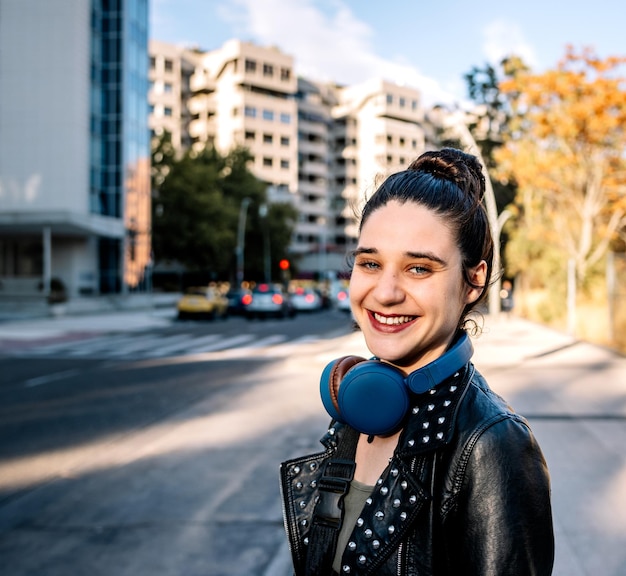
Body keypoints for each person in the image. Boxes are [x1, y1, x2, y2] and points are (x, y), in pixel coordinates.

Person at [280, 148, 554, 575]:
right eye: (370, 263)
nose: (385, 292)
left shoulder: (494, 445)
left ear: (473, 280)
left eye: (419, 269)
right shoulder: (358, 409)